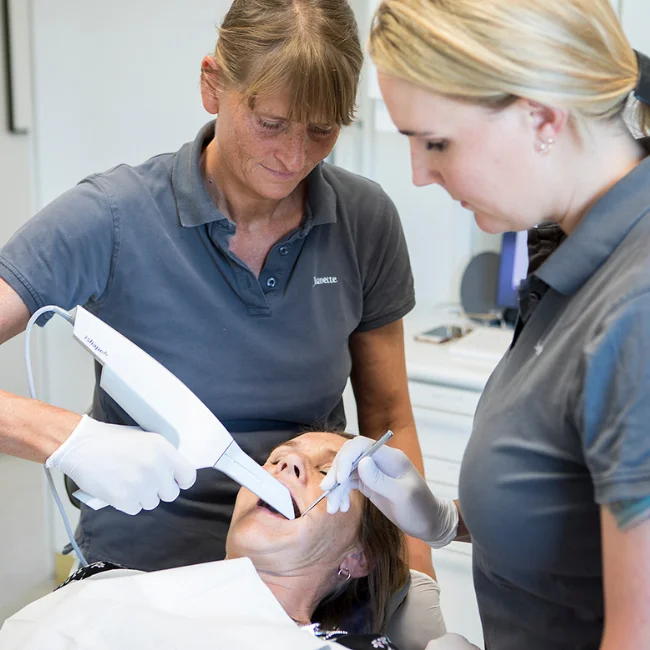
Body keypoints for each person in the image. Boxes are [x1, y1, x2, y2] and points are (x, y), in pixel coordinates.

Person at [0, 0, 432, 575]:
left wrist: (414, 584)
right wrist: (71, 439)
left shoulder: (363, 220)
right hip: (141, 576)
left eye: (322, 131)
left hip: (304, 582)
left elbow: (390, 420)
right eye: (271, 124)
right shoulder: (112, 216)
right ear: (212, 85)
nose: (294, 157)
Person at [323, 0, 650, 648]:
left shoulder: (634, 309)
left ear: (543, 118)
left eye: (435, 141)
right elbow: (568, 508)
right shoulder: (576, 265)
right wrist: (447, 519)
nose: (418, 174)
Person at [0, 432, 446, 650]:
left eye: (329, 472)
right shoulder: (103, 581)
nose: (286, 462)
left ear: (359, 556)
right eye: (274, 459)